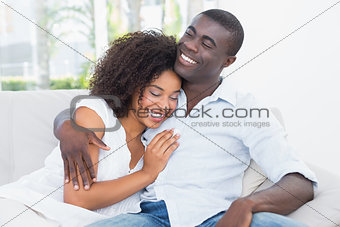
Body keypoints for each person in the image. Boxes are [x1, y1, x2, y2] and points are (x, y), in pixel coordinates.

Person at [54, 9, 318, 227]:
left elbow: (300, 182)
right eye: (190, 34)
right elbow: (104, 99)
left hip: (214, 218)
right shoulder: (156, 86)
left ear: (228, 61)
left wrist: (246, 204)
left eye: (206, 44)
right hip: (148, 218)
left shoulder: (245, 110)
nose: (190, 46)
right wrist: (68, 125)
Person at [0, 31, 182, 226]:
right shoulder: (97, 113)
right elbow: (77, 198)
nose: (164, 105)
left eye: (173, 97)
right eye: (155, 93)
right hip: (31, 209)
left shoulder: (156, 141)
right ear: (130, 84)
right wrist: (147, 174)